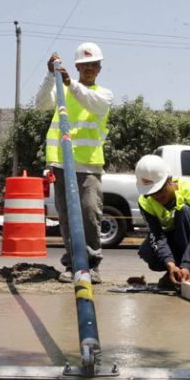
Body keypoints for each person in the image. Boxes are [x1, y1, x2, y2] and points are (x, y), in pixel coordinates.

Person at [35, 42, 114, 284]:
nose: (89, 68)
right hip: (61, 164)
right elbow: (41, 104)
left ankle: (91, 265)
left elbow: (91, 102)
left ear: (99, 68)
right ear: (78, 66)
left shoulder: (103, 94)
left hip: (89, 165)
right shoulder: (62, 90)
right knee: (67, 217)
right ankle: (72, 264)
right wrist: (51, 75)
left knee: (90, 213)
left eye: (93, 65)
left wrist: (70, 83)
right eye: (84, 65)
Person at [134, 154, 190, 291]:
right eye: (151, 193)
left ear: (170, 180)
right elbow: (157, 236)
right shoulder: (145, 202)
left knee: (183, 211)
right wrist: (170, 264)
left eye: (160, 190)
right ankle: (174, 272)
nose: (156, 197)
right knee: (147, 251)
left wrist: (187, 264)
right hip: (170, 237)